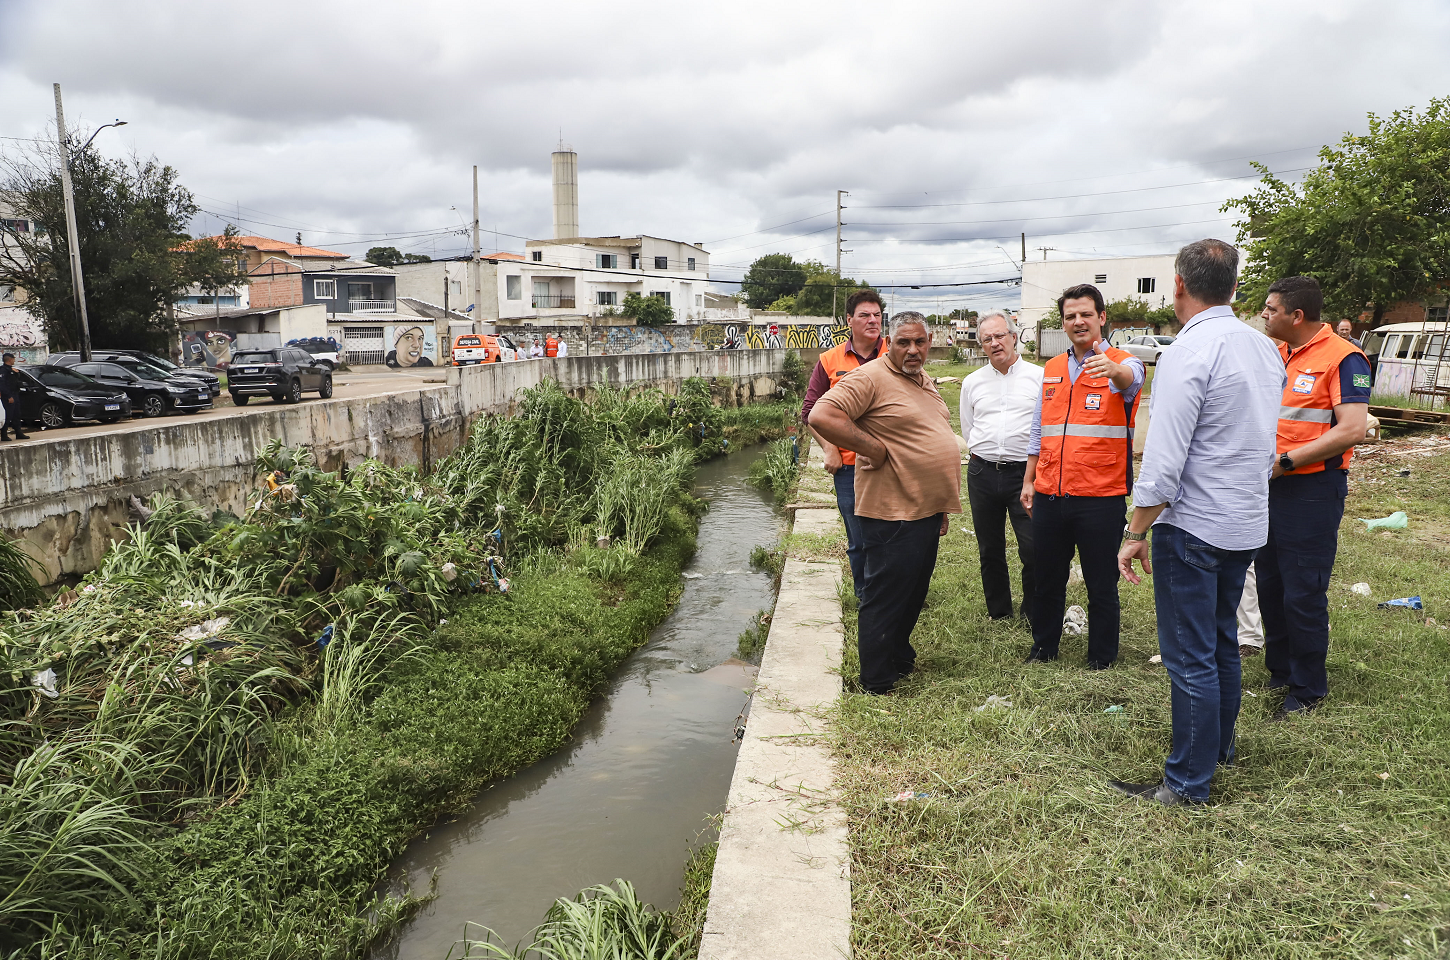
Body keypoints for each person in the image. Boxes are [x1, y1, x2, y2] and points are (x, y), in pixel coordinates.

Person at [1112, 238, 1285, 806]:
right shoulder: (1263, 348)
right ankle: (1217, 748)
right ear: (1235, 286)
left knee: (1191, 656)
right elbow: (1264, 441)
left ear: (1179, 285)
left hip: (1194, 526)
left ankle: (1187, 782)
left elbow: (1164, 461)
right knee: (1221, 642)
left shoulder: (1188, 350)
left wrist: (1135, 531)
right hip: (1244, 521)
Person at [809, 312, 961, 695]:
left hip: (924, 507)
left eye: (920, 342)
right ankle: (876, 679)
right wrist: (873, 448)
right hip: (891, 511)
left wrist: (941, 505)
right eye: (903, 342)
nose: (912, 350)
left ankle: (898, 656)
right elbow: (821, 414)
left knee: (912, 592)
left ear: (929, 343)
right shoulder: (870, 377)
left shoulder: (921, 378)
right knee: (885, 596)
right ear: (889, 343)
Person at [1260, 276, 1370, 718]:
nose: (1264, 315)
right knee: (1270, 583)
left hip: (1311, 490)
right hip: (1270, 486)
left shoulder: (1343, 357)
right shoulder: (1278, 354)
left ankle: (1307, 688)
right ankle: (1281, 670)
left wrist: (1286, 461)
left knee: (1302, 589)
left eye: (1271, 308)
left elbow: (1352, 429)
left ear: (1296, 315)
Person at [1020, 284, 1145, 669]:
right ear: (1063, 322)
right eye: (1070, 316)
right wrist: (1028, 480)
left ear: (1101, 317)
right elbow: (1040, 428)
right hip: (1050, 494)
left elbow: (1129, 379)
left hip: (1100, 497)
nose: (1078, 321)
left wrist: (1112, 367)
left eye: (1086, 314)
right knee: (1047, 579)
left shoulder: (1124, 362)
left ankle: (1101, 658)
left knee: (1101, 583)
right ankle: (1043, 649)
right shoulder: (1053, 369)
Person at [799, 290, 885, 594]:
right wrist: (830, 448)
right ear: (849, 320)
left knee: (894, 533)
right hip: (849, 467)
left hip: (892, 462)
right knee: (858, 539)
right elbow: (809, 412)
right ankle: (866, 597)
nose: (872, 320)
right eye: (864, 315)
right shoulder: (830, 360)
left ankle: (893, 594)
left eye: (877, 315)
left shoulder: (895, 353)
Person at [960, 312, 1042, 625]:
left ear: (1013, 336)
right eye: (987, 339)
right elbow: (968, 428)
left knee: (1032, 547)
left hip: (1025, 474)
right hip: (982, 473)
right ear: (981, 344)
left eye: (999, 336)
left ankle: (1033, 612)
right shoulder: (972, 382)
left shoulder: (1039, 377)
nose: (994, 343)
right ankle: (999, 612)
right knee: (989, 547)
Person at [0, 353, 27, 441]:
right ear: (10, 359)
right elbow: (2, 385)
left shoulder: (11, 369)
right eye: (13, 359)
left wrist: (16, 373)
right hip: (8, 396)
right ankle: (4, 435)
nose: (14, 360)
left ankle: (18, 433)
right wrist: (8, 396)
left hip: (15, 394)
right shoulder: (3, 370)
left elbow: (15, 382)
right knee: (8, 415)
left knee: (17, 415)